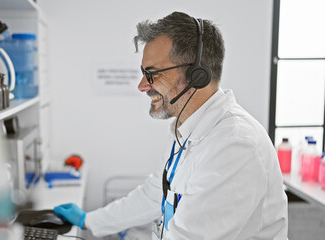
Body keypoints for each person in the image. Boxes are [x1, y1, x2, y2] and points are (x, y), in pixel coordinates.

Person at [54, 11, 288, 239]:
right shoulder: (187, 129)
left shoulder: (235, 145)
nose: (142, 86)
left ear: (197, 75)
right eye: (144, 73)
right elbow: (156, 194)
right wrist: (89, 220)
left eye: (152, 74)